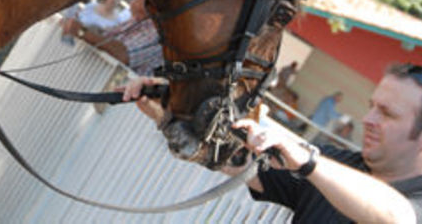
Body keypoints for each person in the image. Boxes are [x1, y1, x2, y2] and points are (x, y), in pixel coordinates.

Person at [124, 62, 422, 223]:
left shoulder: (321, 168)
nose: (368, 119)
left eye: (387, 113)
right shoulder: (336, 165)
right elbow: (238, 160)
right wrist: (171, 115)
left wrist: (309, 162)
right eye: (372, 106)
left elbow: (399, 216)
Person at [64, 0, 163, 76]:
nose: (133, 0)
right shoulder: (135, 21)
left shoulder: (157, 32)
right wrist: (78, 25)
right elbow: (106, 36)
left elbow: (124, 54)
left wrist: (82, 32)